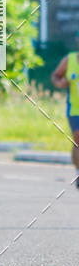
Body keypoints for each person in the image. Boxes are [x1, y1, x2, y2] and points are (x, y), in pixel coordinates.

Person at [51, 30, 79, 189]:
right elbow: (56, 76)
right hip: (75, 107)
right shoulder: (69, 60)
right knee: (78, 138)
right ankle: (78, 171)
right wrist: (60, 83)